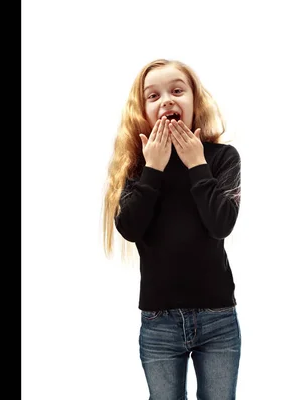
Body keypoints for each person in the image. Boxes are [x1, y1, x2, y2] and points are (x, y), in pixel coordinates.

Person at [102, 59, 242, 399]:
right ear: (143, 111)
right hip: (158, 323)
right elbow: (130, 228)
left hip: (218, 318)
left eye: (177, 90)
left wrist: (197, 165)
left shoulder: (223, 158)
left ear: (195, 100)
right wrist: (153, 169)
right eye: (153, 95)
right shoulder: (135, 165)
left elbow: (220, 223)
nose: (166, 100)